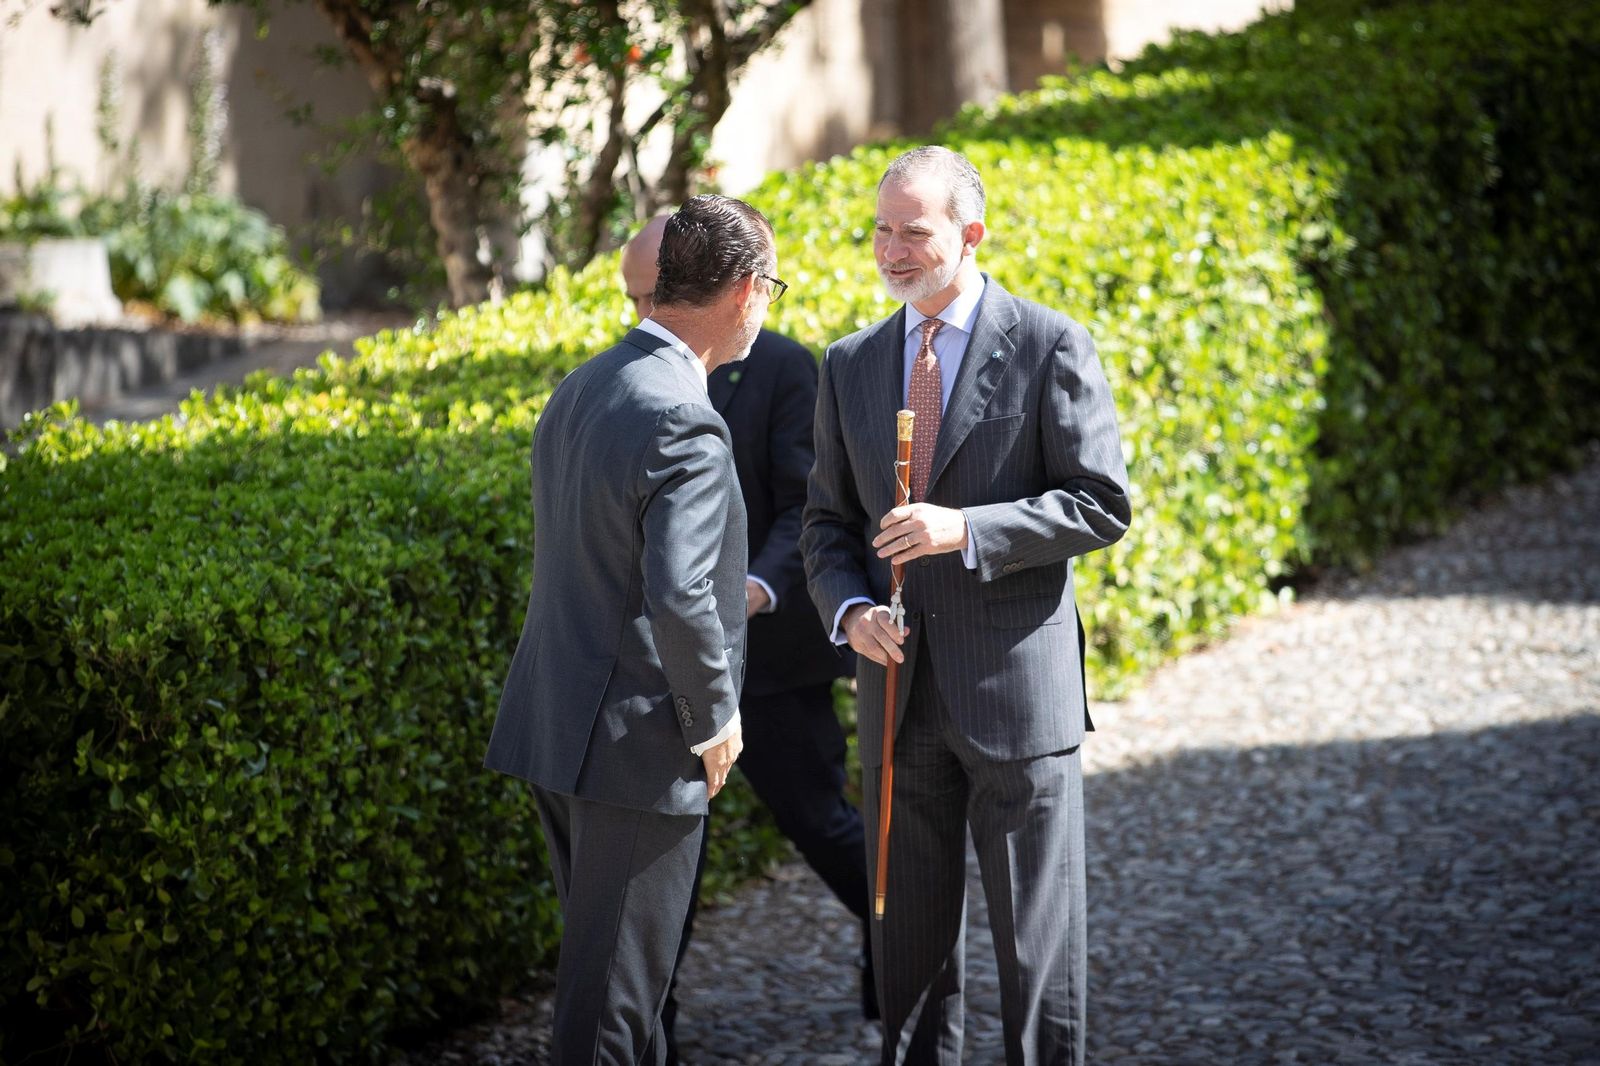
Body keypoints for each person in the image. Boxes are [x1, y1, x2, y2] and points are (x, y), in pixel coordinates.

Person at [801, 146, 1131, 1065]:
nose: (892, 250)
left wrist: (967, 531)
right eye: (881, 230)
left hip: (1018, 700)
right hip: (898, 703)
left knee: (1037, 954)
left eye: (914, 231)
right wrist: (848, 614)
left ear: (969, 234)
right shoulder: (851, 363)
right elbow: (826, 524)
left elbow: (1101, 503)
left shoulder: (1047, 343)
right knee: (905, 954)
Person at [485, 194, 782, 1065]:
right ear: (744, 290)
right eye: (770, 287)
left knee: (626, 1000)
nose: (767, 306)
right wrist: (716, 718)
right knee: (614, 1011)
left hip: (562, 731)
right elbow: (681, 594)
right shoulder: (685, 416)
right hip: (638, 751)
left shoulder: (586, 382)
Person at [620, 217, 876, 1055]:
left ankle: (898, 947)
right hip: (673, 672)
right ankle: (658, 1023)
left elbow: (808, 503)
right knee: (667, 857)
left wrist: (760, 588)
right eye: (630, 299)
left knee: (820, 822)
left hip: (773, 661)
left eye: (650, 295)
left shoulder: (784, 365)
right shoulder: (628, 377)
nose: (640, 315)